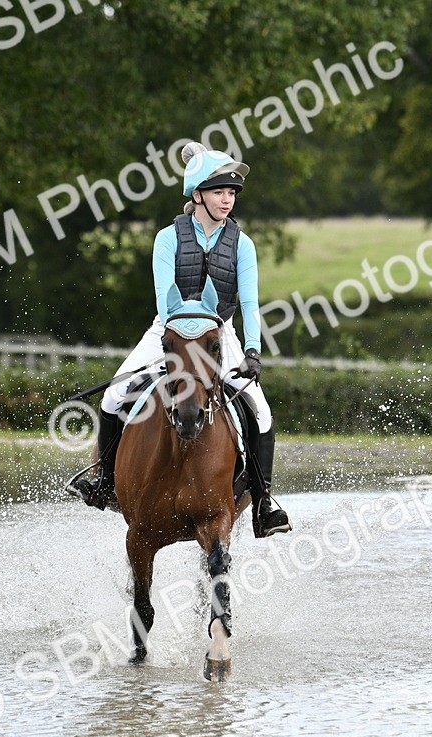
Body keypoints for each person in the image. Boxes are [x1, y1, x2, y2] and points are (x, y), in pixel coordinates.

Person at [70, 141, 291, 538]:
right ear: (198, 194)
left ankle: (263, 503)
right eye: (220, 192)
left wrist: (253, 351)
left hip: (218, 334)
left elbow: (251, 303)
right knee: (112, 398)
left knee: (261, 411)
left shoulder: (243, 244)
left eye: (232, 193)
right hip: (169, 330)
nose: (228, 200)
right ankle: (104, 479)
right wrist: (176, 347)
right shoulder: (167, 237)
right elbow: (164, 297)